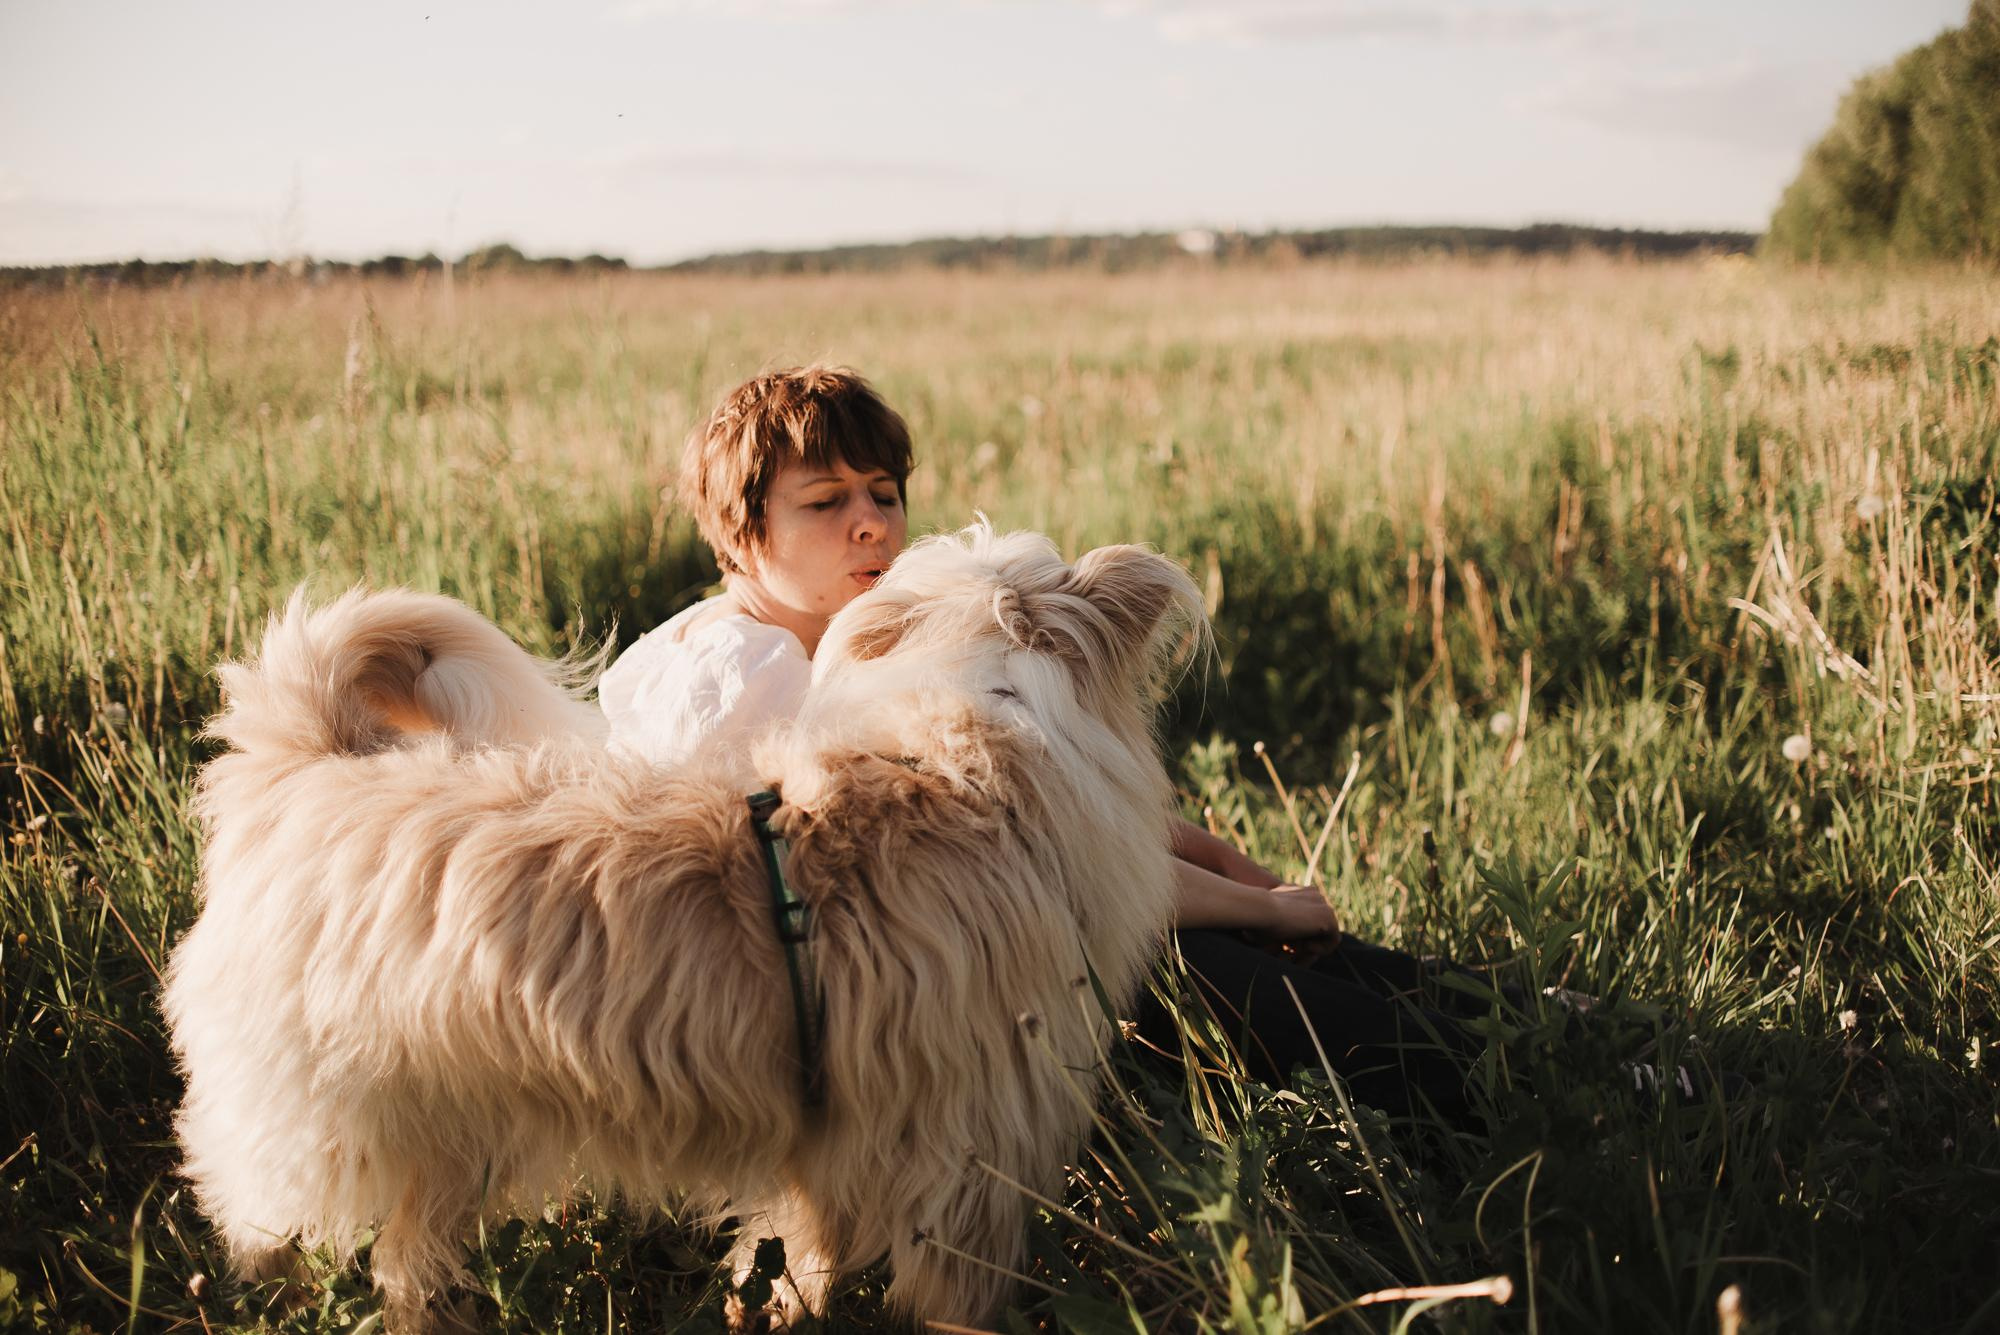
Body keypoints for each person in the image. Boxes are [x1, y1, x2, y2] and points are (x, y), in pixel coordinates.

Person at [600, 364, 1504, 1122]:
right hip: (829, 1017)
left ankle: (1501, 1020)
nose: (871, 522)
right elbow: (1052, 865)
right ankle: (1473, 1070)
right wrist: (1256, 908)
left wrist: (1227, 866)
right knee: (1167, 955)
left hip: (925, 951)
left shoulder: (825, 637)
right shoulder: (749, 677)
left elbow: (1047, 817)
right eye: (827, 501)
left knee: (1204, 931)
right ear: (740, 535)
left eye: (883, 492)